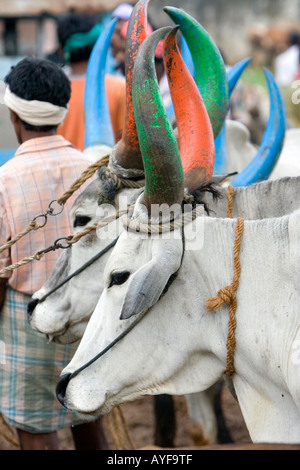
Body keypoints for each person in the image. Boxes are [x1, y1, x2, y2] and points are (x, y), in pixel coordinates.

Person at [0, 57, 109, 450]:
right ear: (63, 111)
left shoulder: (4, 180)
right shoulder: (95, 172)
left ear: (13, 114)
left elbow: (1, 271)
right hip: (87, 318)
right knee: (89, 419)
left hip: (26, 319)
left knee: (34, 428)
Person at [56, 11, 126, 151]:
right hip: (106, 172)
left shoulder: (52, 93)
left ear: (61, 51)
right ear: (98, 45)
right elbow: (126, 145)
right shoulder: (119, 88)